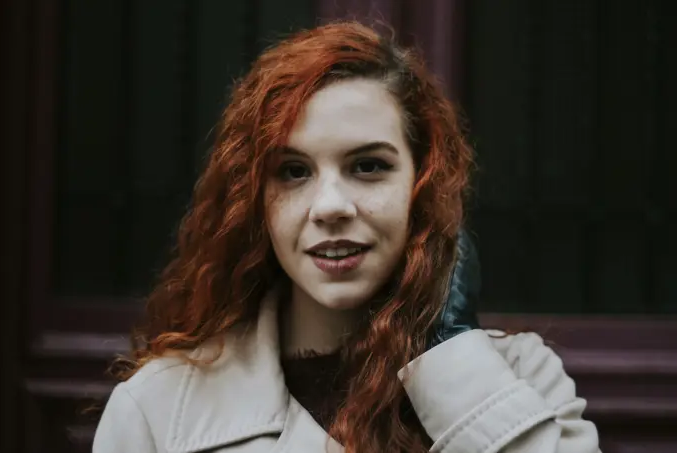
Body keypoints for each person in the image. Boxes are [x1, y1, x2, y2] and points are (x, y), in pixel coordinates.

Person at [93, 22, 601, 453]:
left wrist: (450, 352)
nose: (330, 205)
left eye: (368, 166)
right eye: (292, 172)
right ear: (253, 199)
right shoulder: (159, 409)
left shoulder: (523, 377)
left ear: (420, 187)